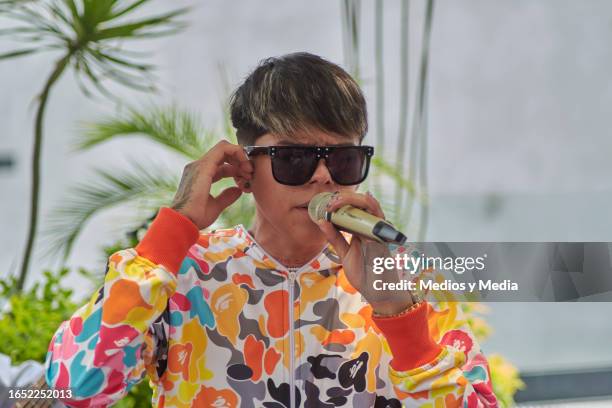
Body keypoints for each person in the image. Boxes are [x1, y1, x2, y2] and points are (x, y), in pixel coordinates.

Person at [44, 52, 498, 407]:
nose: (324, 177)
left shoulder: (411, 281)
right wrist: (173, 229)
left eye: (343, 159)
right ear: (244, 166)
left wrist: (399, 316)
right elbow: (72, 389)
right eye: (294, 159)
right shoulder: (184, 274)